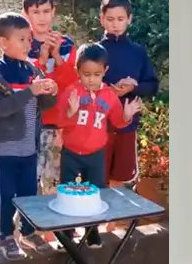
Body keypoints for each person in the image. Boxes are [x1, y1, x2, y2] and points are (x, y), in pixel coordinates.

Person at [0, 13, 58, 260]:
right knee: (6, 196)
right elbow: (2, 109)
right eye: (22, 39)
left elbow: (43, 105)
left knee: (29, 193)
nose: (29, 45)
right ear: (3, 43)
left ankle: (27, 231)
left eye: (29, 40)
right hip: (6, 149)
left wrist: (51, 91)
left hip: (29, 146)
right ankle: (5, 235)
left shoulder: (31, 69)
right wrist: (30, 91)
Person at [57, 44, 142, 247]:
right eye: (86, 74)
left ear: (105, 71)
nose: (92, 79)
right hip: (71, 152)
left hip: (96, 154)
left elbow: (118, 122)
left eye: (97, 74)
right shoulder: (71, 92)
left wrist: (127, 115)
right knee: (68, 192)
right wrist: (71, 111)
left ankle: (92, 231)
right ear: (78, 71)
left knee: (95, 193)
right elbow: (61, 121)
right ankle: (67, 232)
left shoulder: (110, 96)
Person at [97, 0, 159, 190]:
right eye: (110, 19)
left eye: (120, 19)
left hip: (127, 126)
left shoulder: (137, 53)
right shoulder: (94, 51)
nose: (115, 24)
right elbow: (83, 84)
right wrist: (109, 91)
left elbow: (152, 85)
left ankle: (113, 222)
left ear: (129, 19)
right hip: (98, 124)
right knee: (98, 176)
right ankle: (95, 221)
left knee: (120, 177)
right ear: (101, 19)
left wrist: (134, 87)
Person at [23, 0, 77, 195]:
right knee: (29, 181)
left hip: (58, 124)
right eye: (36, 12)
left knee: (55, 181)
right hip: (29, 122)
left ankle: (53, 228)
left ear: (54, 11)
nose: (42, 17)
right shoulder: (21, 43)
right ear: (25, 14)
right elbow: (24, 81)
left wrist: (58, 57)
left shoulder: (67, 44)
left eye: (46, 11)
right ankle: (28, 227)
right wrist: (43, 59)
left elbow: (72, 84)